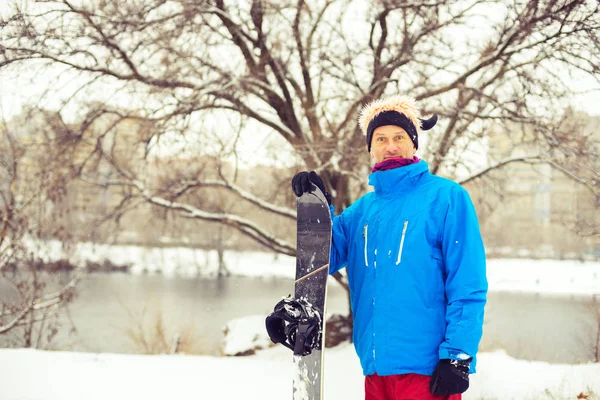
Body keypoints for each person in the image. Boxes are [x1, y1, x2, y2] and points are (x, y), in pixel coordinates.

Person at [291, 95, 488, 400]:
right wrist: (318, 210)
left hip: (429, 371)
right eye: (380, 138)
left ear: (414, 144)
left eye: (399, 137)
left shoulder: (446, 198)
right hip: (375, 368)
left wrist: (458, 355)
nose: (390, 146)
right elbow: (322, 262)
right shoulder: (363, 211)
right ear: (370, 148)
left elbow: (468, 284)